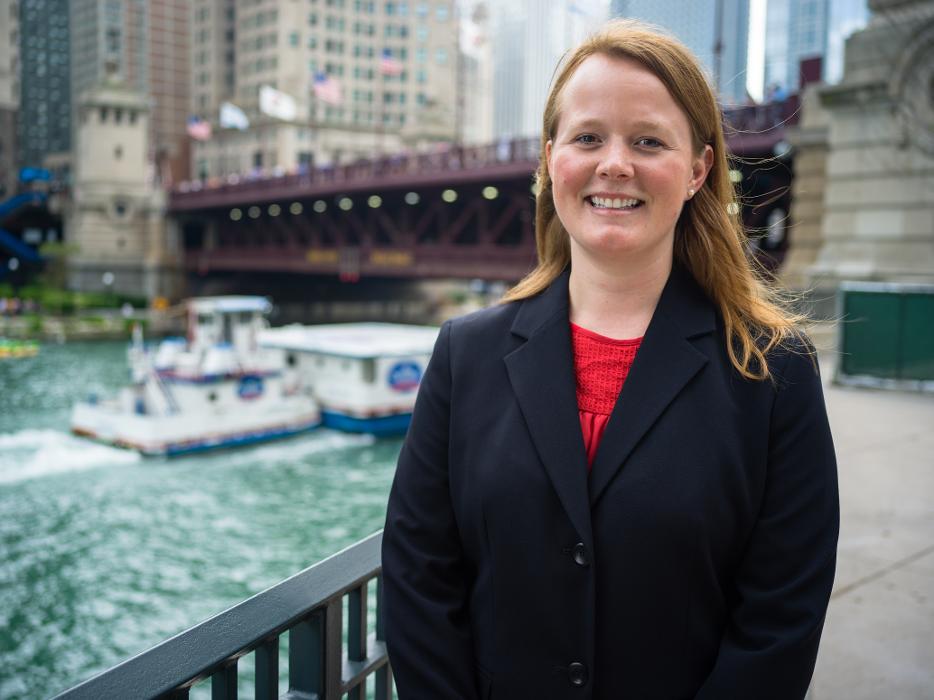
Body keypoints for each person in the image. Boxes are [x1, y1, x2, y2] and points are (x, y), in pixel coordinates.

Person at [382, 20, 838, 700]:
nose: (615, 164)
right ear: (550, 161)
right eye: (588, 138)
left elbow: (780, 618)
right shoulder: (463, 355)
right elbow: (418, 580)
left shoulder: (776, 371)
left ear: (698, 170)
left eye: (648, 141)